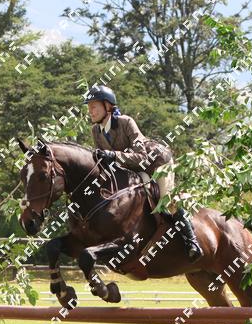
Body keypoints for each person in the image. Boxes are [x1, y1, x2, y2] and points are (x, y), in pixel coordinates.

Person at [83, 84, 203, 261]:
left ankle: (192, 242)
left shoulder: (126, 122)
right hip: (135, 169)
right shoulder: (96, 130)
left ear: (107, 106)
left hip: (157, 162)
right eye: (89, 108)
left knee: (166, 200)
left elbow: (141, 157)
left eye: (93, 106)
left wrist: (113, 155)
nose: (90, 111)